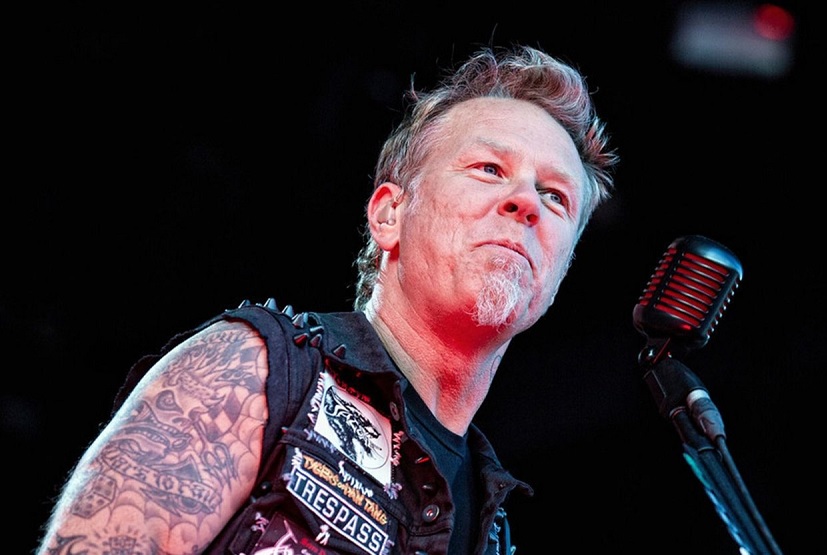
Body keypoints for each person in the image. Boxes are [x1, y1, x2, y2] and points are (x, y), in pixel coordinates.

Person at [35, 43, 617, 555]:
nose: (527, 202)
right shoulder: (257, 368)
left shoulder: (494, 531)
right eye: (489, 168)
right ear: (389, 215)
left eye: (556, 197)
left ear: (562, 268)